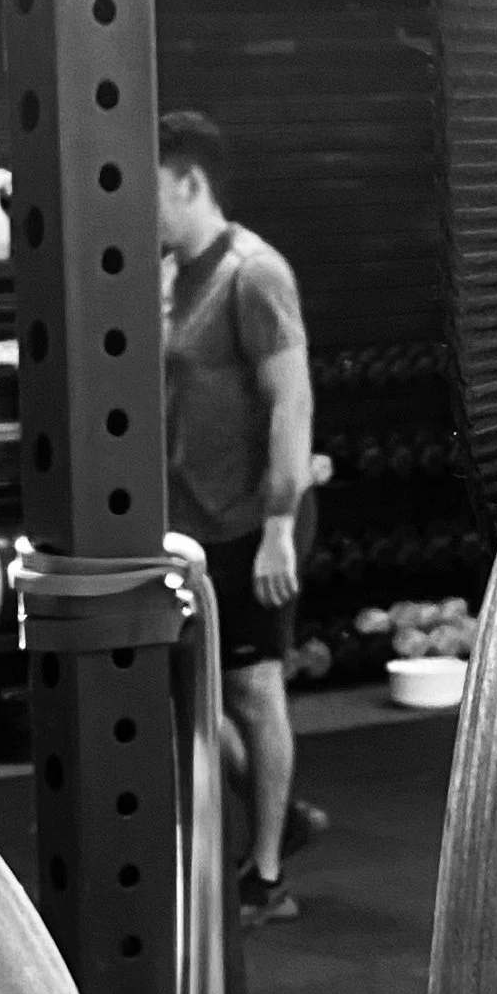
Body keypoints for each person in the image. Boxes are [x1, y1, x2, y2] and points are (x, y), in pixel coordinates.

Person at [156, 110, 323, 924]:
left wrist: (280, 525)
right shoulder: (165, 277)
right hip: (189, 524)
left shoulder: (255, 274)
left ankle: (266, 877)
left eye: (150, 188)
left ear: (191, 182)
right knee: (198, 696)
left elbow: (292, 401)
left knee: (254, 692)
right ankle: (279, 812)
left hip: (257, 521)